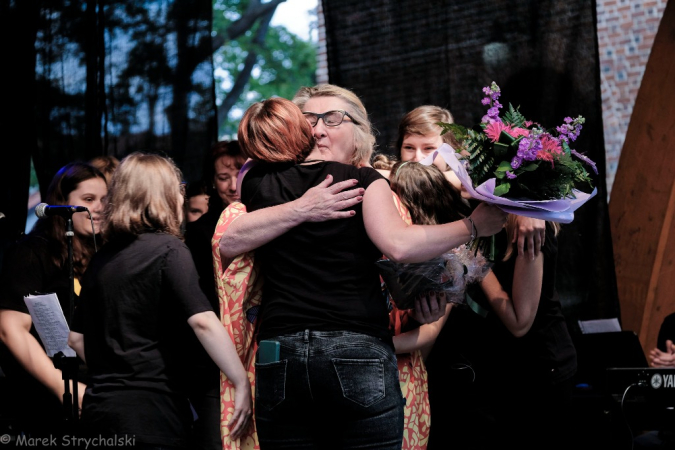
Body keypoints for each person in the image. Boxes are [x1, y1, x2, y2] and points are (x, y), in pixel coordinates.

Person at [218, 95, 506, 450]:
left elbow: (229, 240)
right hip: (355, 346)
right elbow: (399, 244)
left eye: (333, 119)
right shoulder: (360, 179)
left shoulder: (257, 179)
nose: (321, 128)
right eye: (312, 119)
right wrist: (473, 225)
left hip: (280, 352)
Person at [67, 152, 251, 450]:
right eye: (177, 189)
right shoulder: (169, 250)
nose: (181, 197)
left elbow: (75, 339)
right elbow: (203, 322)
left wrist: (117, 372)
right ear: (165, 196)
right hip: (153, 411)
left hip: (100, 409)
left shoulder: (101, 258)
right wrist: (240, 381)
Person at [426, 213, 577, 450]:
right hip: (507, 366)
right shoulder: (489, 211)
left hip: (540, 370)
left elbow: (520, 322)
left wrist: (477, 265)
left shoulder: (529, 228)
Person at [0, 162, 107, 437]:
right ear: (62, 203)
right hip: (46, 400)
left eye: (105, 200)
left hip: (98, 396)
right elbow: (10, 329)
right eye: (88, 199)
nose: (98, 207)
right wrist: (62, 388)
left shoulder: (103, 258)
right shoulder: (33, 253)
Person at [184, 140, 247, 450]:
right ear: (211, 181)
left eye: (241, 172)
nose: (234, 185)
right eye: (224, 177)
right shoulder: (198, 233)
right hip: (212, 362)